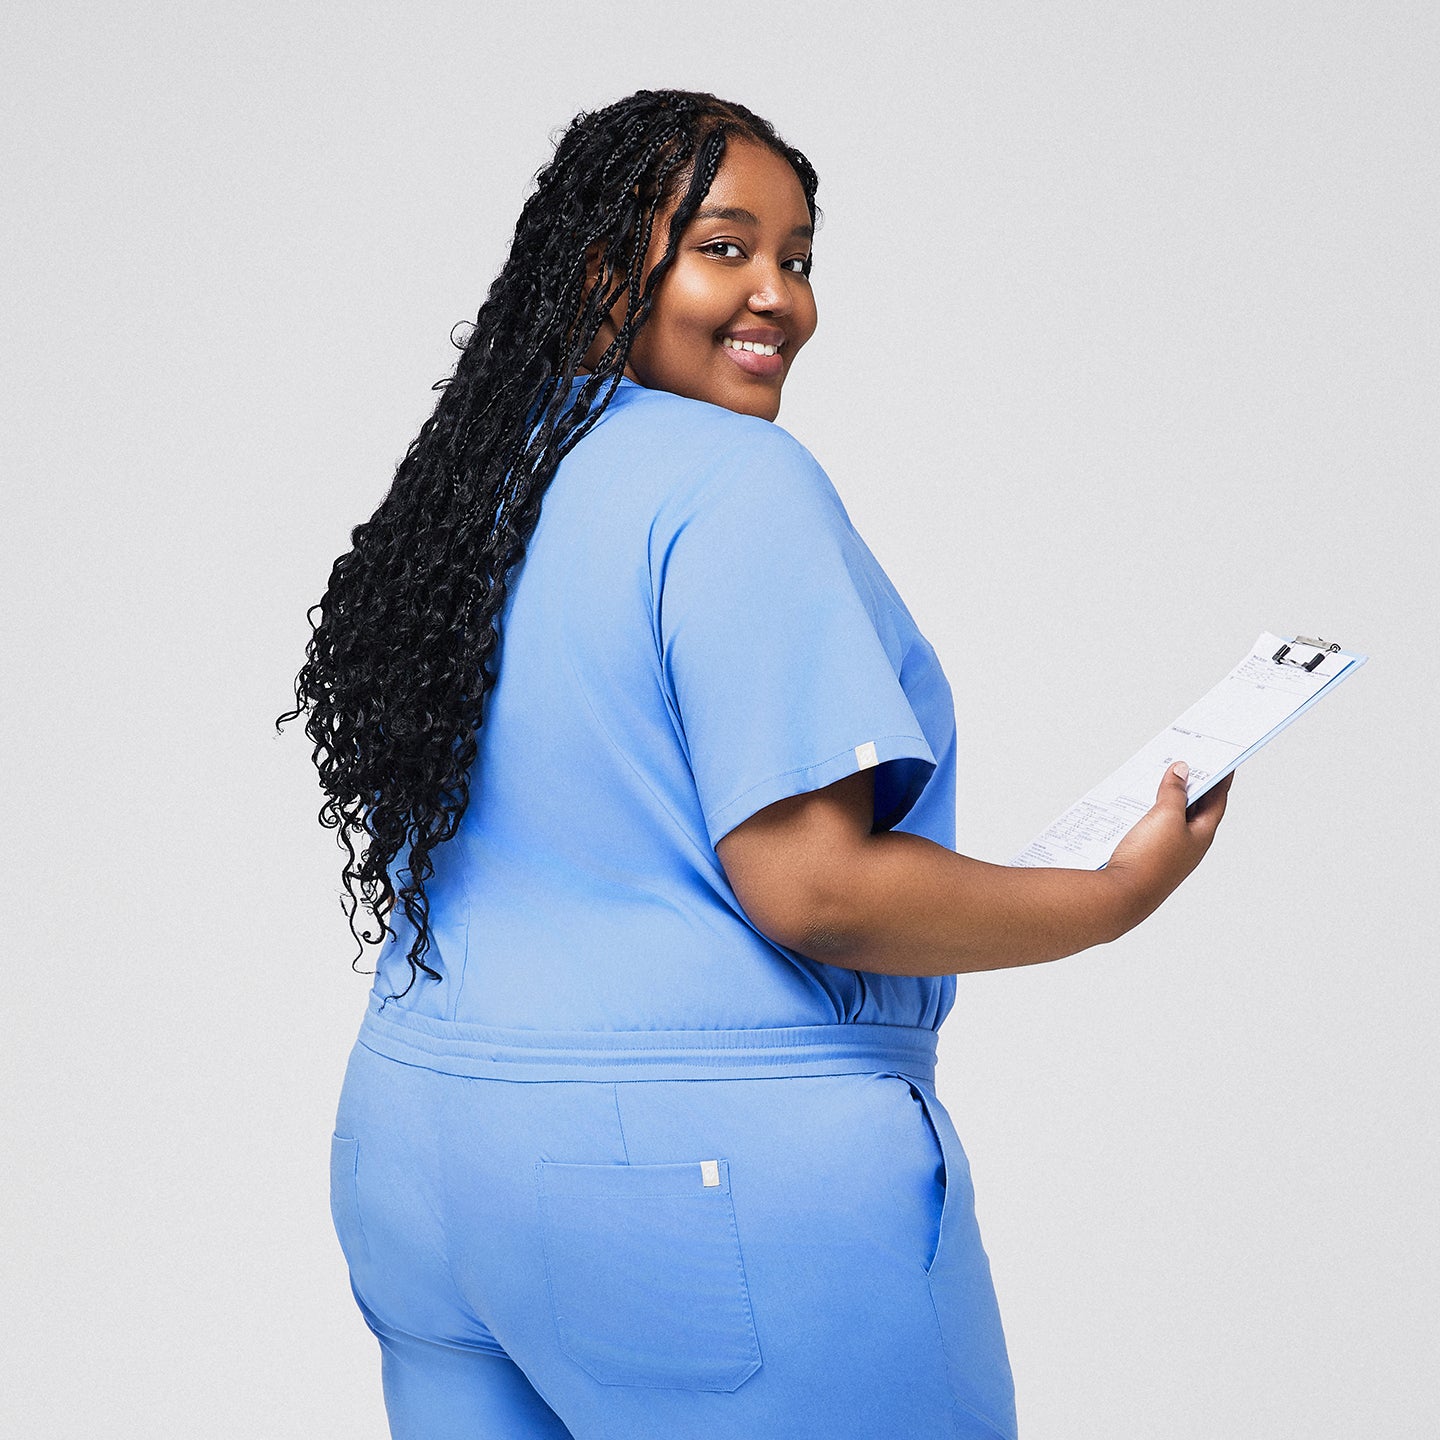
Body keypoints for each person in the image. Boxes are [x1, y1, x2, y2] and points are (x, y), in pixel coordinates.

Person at [279, 88, 1230, 1440]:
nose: (777, 295)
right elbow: (811, 889)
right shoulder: (731, 483)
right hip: (699, 1188)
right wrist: (1108, 897)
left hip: (420, 1158)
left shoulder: (470, 492)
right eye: (725, 247)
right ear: (605, 265)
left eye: (797, 257)